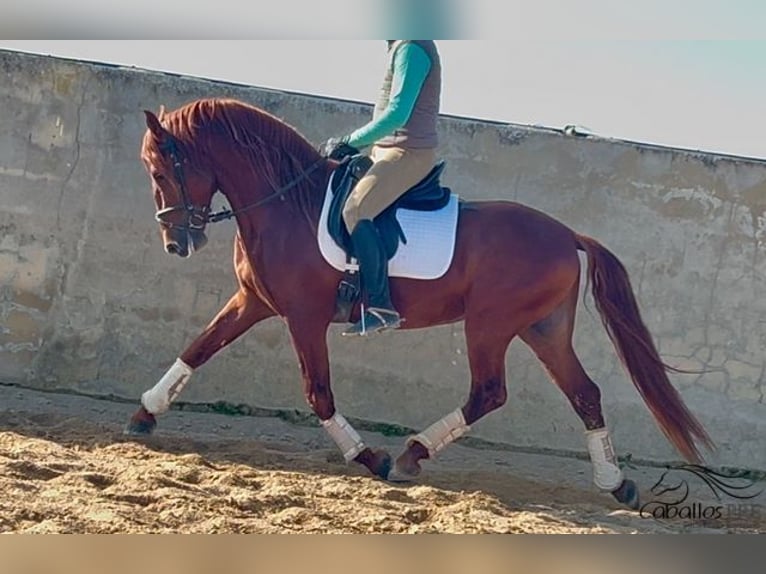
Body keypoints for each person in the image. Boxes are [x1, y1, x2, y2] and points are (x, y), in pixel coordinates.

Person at [322, 40, 442, 337]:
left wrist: (350, 141)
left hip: (408, 154)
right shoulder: (402, 46)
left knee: (356, 209)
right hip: (385, 149)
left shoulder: (412, 48)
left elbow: (398, 115)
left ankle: (381, 306)